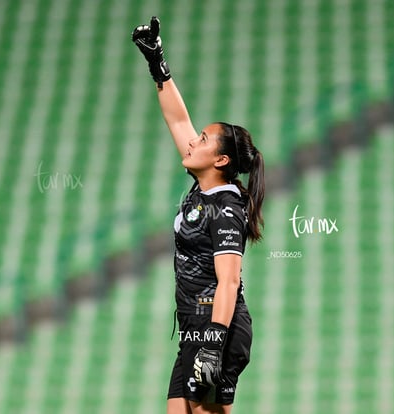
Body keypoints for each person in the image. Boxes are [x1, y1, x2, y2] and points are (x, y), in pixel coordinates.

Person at [132, 17, 265, 414]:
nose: (193, 141)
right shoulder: (204, 186)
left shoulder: (225, 208)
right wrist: (158, 64)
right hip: (194, 328)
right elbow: (176, 118)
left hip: (216, 329)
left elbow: (229, 282)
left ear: (221, 160)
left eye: (204, 140)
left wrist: (212, 343)